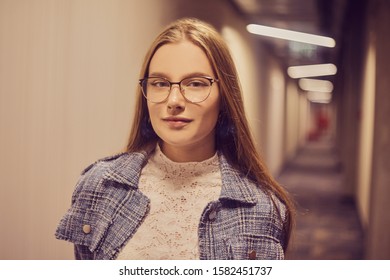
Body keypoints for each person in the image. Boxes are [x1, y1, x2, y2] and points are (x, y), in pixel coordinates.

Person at [55, 17, 294, 260]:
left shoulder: (260, 208)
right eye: (160, 83)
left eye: (196, 83)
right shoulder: (99, 186)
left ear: (224, 96)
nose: (174, 101)